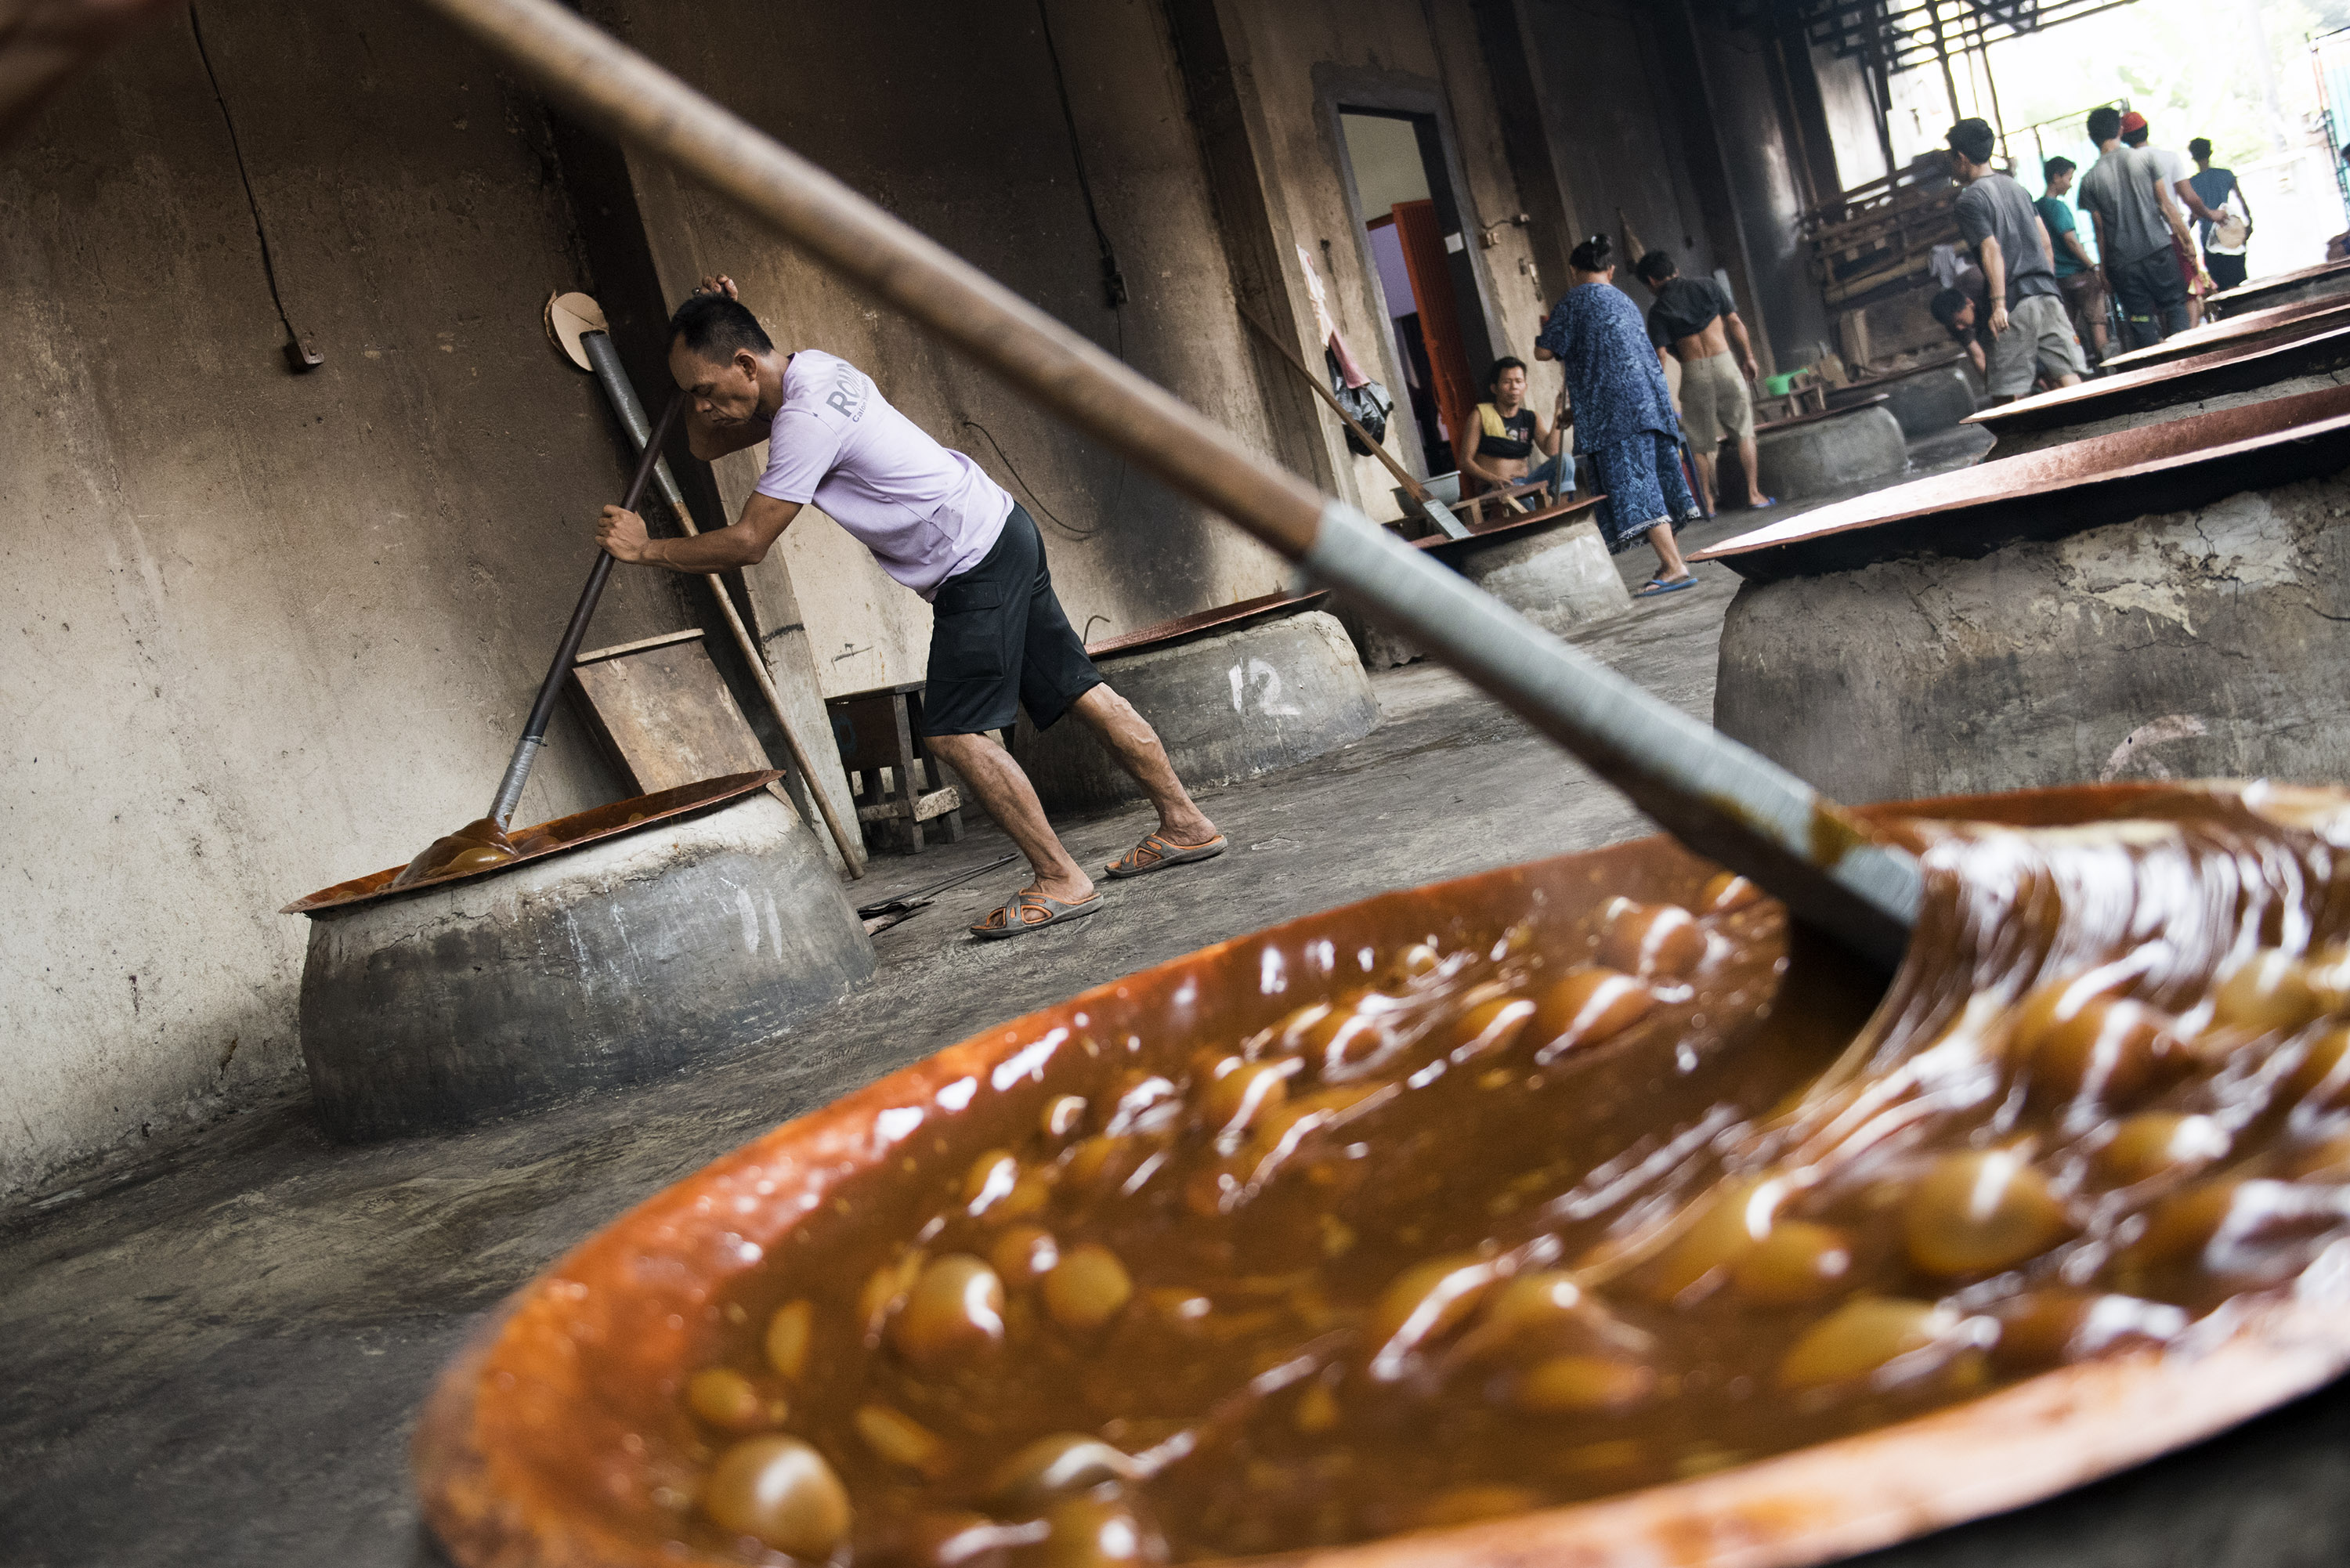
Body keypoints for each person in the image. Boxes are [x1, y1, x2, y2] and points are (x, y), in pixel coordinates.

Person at [595, 278, 1225, 940]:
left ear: (747, 365)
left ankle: (1060, 879)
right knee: (1078, 686)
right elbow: (702, 444)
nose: (701, 404)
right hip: (1000, 527)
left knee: (953, 731)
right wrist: (715, 339)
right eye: (692, 394)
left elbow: (750, 543)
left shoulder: (805, 423)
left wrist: (647, 551)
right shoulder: (812, 369)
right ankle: (1186, 824)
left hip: (971, 562)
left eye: (705, 388)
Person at [1533, 234, 1705, 598]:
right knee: (1651, 481)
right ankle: (1669, 561)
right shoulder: (1624, 300)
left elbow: (1544, 352)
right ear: (1609, 270)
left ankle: (1674, 566)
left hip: (1615, 417)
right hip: (1650, 405)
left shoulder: (1575, 299)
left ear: (1574, 270)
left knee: (1635, 486)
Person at [1946, 118, 2084, 404]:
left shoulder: (1969, 200)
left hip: (2014, 302)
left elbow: (1991, 250)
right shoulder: (2016, 188)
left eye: (1951, 157)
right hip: (2046, 294)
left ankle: (2018, 448)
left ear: (1961, 157)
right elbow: (2045, 242)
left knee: (2005, 390)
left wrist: (1998, 305)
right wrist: (2048, 284)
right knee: (2068, 374)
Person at [1631, 249, 1770, 511]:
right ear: (1675, 269)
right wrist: (1749, 357)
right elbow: (1735, 322)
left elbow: (1660, 356)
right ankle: (1753, 494)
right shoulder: (1708, 286)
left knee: (1699, 442)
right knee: (1743, 432)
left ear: (1651, 281)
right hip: (1725, 364)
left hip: (1693, 371)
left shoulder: (1659, 310)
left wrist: (1655, 394)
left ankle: (1706, 501)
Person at [2078, 104, 2193, 349]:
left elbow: (2100, 230)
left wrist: (2104, 271)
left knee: (2140, 319)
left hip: (2124, 265)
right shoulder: (2145, 159)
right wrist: (2187, 242)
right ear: (2120, 130)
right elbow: (2166, 206)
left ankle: (2158, 376)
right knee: (2174, 306)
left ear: (2091, 137)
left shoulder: (2089, 180)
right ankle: (2187, 360)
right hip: (2159, 251)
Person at [2121, 111, 2218, 325]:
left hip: (2142, 243)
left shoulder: (2123, 167)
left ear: (2124, 138)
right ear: (2147, 129)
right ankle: (2192, 343)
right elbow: (2189, 197)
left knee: (2162, 302)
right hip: (2171, 235)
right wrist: (2212, 214)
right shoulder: (2168, 157)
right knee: (2190, 292)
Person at [1457, 356, 1567, 503]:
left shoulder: (1530, 417)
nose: (1514, 387)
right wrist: (1493, 479)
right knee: (1523, 496)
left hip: (1525, 483)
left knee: (1565, 461)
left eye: (1519, 381)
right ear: (1494, 388)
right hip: (1496, 489)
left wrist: (1558, 410)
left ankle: (1561, 508)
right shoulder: (1481, 415)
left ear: (1525, 386)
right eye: (1507, 382)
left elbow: (1552, 451)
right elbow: (1465, 462)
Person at [2037, 157, 2109, 364]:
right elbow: (2071, 240)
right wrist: (2092, 265)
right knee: (2097, 322)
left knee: (2068, 328)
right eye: (2069, 178)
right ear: (2056, 177)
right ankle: (2108, 367)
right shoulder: (2057, 207)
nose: (2070, 184)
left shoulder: (2037, 207)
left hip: (2056, 280)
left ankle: (2077, 369)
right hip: (2078, 276)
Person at [2186, 137, 2253, 293]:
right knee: (2236, 281)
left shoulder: (2192, 183)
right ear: (2210, 153)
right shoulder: (2226, 175)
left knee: (2220, 286)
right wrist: (2250, 223)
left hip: (2209, 240)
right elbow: (2241, 200)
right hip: (2230, 232)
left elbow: (2194, 216)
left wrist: (2185, 235)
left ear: (2193, 157)